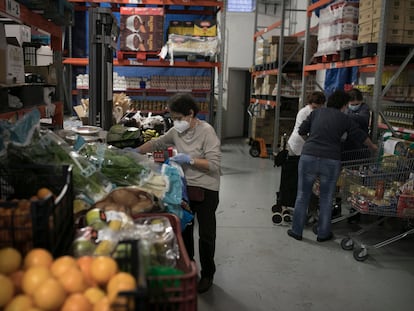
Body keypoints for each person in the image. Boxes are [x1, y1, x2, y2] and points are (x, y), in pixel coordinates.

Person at [134, 93, 221, 293]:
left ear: (190, 114)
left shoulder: (207, 132)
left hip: (207, 189)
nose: (176, 122)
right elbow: (157, 143)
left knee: (207, 235)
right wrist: (134, 151)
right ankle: (189, 268)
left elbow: (214, 165)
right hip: (185, 189)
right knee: (186, 230)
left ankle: (208, 274)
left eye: (179, 118)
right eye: (174, 118)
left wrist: (189, 160)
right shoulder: (176, 131)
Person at [287, 90, 377, 242]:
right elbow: (360, 136)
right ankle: (323, 234)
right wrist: (373, 147)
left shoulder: (316, 113)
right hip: (331, 159)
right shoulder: (345, 118)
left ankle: (297, 231)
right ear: (343, 105)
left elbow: (301, 131)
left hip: (308, 157)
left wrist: (310, 141)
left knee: (303, 195)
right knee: (327, 197)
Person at [287, 91, 326, 156]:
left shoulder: (322, 113)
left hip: (307, 147)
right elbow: (302, 133)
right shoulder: (304, 112)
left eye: (319, 108)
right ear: (309, 104)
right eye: (314, 107)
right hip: (297, 145)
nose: (315, 110)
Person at [343, 88, 371, 152]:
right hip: (347, 142)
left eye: (357, 104)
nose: (354, 106)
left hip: (360, 143)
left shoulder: (364, 107)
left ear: (361, 101)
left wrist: (347, 117)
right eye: (352, 105)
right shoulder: (345, 108)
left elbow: (364, 119)